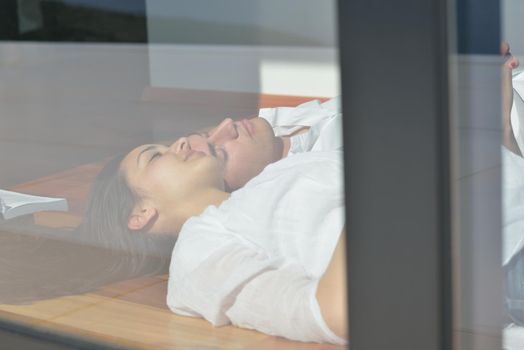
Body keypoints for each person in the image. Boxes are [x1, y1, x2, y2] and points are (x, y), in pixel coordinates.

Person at [82, 99, 348, 344]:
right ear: (139, 215)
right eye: (155, 156)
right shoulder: (198, 252)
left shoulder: (276, 174)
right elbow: (329, 314)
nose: (182, 143)